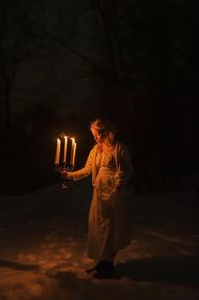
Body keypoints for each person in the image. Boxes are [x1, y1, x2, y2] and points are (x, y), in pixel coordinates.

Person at [61, 118, 133, 279]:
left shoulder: (119, 148)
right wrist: (70, 175)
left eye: (97, 134)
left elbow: (128, 168)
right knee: (99, 225)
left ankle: (108, 265)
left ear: (105, 132)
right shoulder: (96, 150)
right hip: (99, 191)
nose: (95, 138)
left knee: (110, 226)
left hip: (113, 191)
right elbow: (87, 169)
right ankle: (102, 262)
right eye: (93, 135)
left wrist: (121, 181)